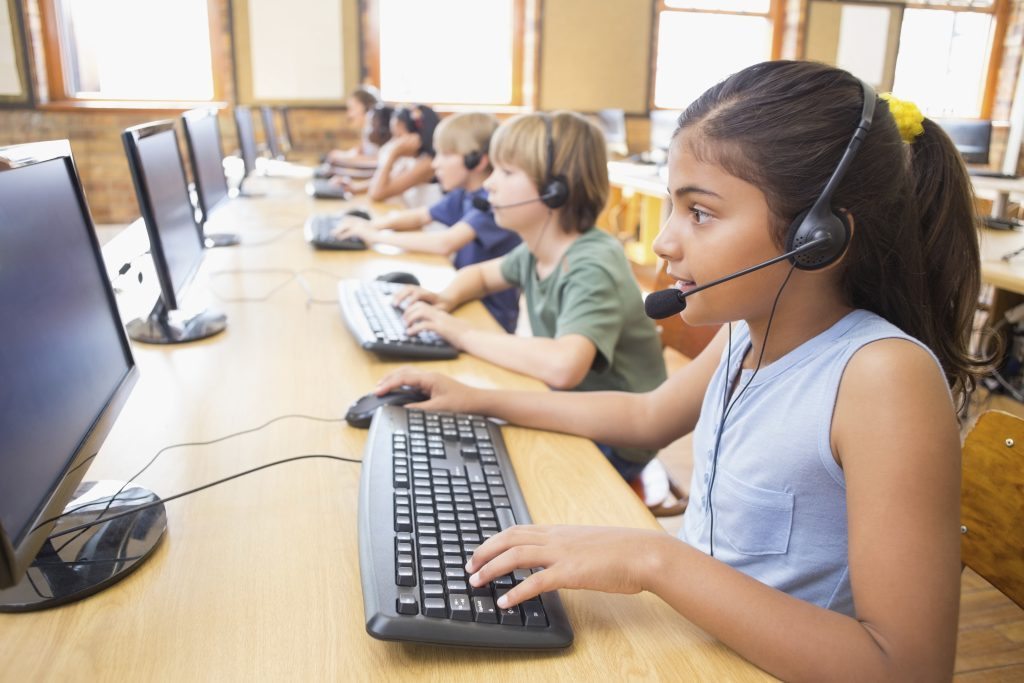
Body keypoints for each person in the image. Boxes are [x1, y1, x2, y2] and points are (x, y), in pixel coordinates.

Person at [377, 61, 985, 680]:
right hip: (692, 649)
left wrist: (655, 560)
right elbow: (644, 417)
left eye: (700, 212)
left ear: (818, 237)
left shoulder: (882, 379)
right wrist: (477, 399)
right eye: (675, 205)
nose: (664, 242)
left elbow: (906, 666)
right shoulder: (744, 333)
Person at [385, 110, 668, 480]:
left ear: (557, 189)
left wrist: (461, 332)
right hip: (574, 409)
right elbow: (482, 275)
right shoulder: (537, 248)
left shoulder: (591, 264)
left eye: (506, 172)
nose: (489, 185)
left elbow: (564, 367)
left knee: (479, 466)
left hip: (616, 439)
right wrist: (445, 298)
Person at [333, 112, 522, 332]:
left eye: (446, 154)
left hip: (489, 316)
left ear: (476, 161)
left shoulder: (492, 203)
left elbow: (445, 243)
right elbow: (420, 216)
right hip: (461, 298)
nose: (435, 163)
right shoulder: (463, 195)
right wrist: (372, 225)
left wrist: (375, 236)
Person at [332, 104, 441, 208]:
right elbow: (389, 180)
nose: (394, 142)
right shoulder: (414, 160)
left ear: (416, 136)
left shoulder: (427, 164)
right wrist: (355, 188)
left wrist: (393, 155)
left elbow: (377, 193)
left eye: (398, 136)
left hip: (426, 227)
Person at [325, 85, 382, 167]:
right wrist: (342, 155)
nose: (349, 115)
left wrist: (342, 158)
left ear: (364, 107)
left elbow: (378, 161)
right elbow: (359, 151)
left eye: (352, 108)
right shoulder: (367, 129)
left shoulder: (377, 131)